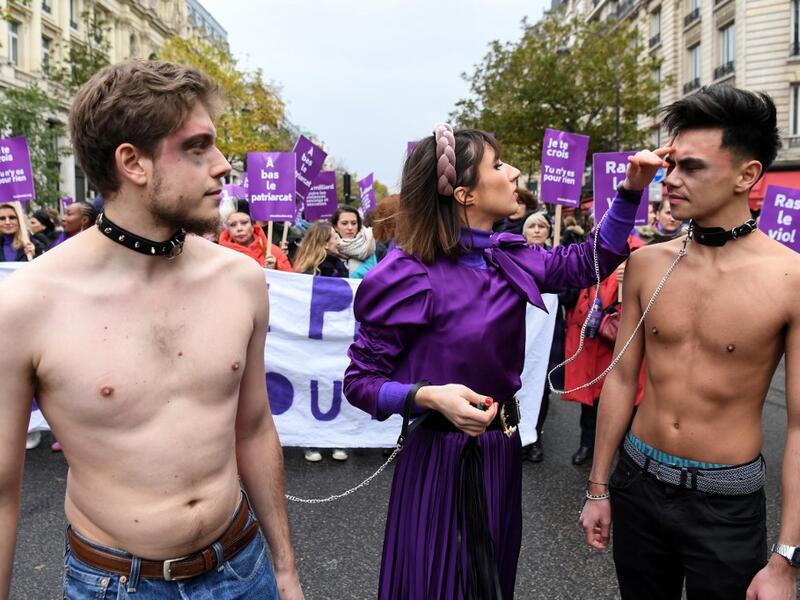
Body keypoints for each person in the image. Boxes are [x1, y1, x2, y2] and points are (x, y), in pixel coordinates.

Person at [0, 59, 302, 599]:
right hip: (116, 585)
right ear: (132, 163)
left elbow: (253, 428)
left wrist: (284, 570)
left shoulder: (240, 279)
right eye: (197, 146)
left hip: (243, 567)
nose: (223, 165)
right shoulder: (26, 304)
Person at [344, 123, 658, 599]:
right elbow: (360, 382)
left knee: (491, 581)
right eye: (498, 165)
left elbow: (591, 259)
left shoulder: (508, 255)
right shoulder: (406, 274)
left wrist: (632, 189)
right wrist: (427, 396)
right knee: (436, 581)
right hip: (439, 459)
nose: (513, 173)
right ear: (466, 194)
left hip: (500, 453)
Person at [579, 85, 798, 599]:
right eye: (670, 164)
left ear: (748, 175)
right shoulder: (647, 263)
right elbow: (621, 378)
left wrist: (787, 559)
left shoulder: (788, 279)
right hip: (637, 481)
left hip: (727, 503)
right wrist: (598, 487)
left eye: (691, 168)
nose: (670, 181)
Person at [520, 211, 559, 463]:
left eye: (541, 226)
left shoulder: (559, 259)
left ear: (548, 232)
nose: (536, 230)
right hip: (519, 334)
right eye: (531, 226)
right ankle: (513, 434)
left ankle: (534, 438)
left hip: (549, 335)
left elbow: (568, 296)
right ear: (524, 232)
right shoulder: (513, 259)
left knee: (541, 387)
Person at [219, 205, 293, 271]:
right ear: (227, 229)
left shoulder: (272, 251)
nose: (239, 228)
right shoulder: (220, 255)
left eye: (244, 223)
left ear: (253, 225)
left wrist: (276, 265)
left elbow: (291, 280)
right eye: (233, 225)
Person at [331, 205, 377, 278]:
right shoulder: (330, 249)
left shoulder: (369, 244)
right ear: (336, 226)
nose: (350, 228)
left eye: (354, 223)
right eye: (344, 223)